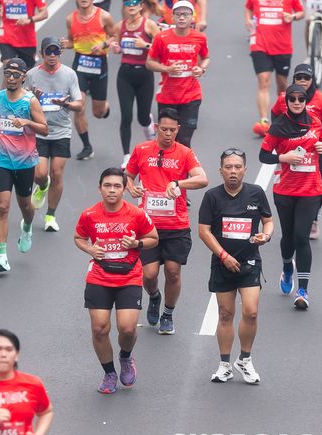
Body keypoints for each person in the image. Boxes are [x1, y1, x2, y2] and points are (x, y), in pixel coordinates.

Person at [75, 168, 159, 394]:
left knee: (128, 329)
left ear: (124, 189)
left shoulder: (137, 214)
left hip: (129, 276)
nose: (112, 190)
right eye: (107, 186)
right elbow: (79, 237)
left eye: (117, 186)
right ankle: (109, 373)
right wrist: (90, 249)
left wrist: (136, 244)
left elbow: (153, 238)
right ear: (100, 189)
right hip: (99, 276)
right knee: (99, 329)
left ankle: (125, 356)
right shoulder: (89, 214)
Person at [125, 107, 208, 334]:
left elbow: (202, 179)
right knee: (149, 275)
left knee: (172, 272)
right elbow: (128, 176)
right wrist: (131, 188)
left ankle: (168, 314)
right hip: (147, 226)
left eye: (172, 130)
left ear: (178, 129)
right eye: (164, 129)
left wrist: (179, 184)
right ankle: (154, 296)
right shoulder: (142, 150)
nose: (168, 134)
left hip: (176, 225)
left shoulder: (185, 153)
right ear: (156, 128)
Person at [198, 148, 273, 384]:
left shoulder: (256, 193)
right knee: (225, 314)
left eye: (237, 167)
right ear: (220, 171)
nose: (233, 171)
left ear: (245, 170)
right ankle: (224, 366)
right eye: (228, 167)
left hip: (249, 263)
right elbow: (204, 231)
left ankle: (245, 360)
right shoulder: (212, 196)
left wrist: (266, 236)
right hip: (223, 264)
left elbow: (268, 221)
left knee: (251, 312)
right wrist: (223, 255)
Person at [260, 84, 322, 309]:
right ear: (287, 102)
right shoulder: (278, 127)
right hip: (285, 190)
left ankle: (303, 291)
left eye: (301, 98)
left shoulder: (316, 123)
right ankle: (287, 267)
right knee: (289, 238)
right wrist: (284, 158)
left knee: (302, 237)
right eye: (293, 99)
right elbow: (263, 155)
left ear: (305, 101)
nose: (297, 102)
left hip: (311, 190)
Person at [0, 58, 48, 273]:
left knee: (26, 207)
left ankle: (27, 226)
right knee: (2, 206)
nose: (11, 78)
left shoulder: (30, 102)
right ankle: (1, 256)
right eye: (8, 74)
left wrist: (27, 122)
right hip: (1, 159)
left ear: (23, 77)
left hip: (25, 161)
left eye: (16, 75)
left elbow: (45, 129)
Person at [270, 63, 322, 239]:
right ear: (293, 79)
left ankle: (313, 219)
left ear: (312, 79)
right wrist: (280, 134)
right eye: (299, 77)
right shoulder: (283, 98)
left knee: (316, 186)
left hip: (316, 149)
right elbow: (275, 114)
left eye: (306, 78)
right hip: (291, 149)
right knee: (290, 180)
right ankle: (294, 216)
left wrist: (314, 132)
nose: (302, 81)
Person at [25, 37, 83, 233]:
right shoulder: (32, 75)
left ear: (60, 53)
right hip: (39, 130)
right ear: (41, 53)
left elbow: (79, 104)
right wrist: (33, 99)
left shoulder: (69, 74)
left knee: (57, 173)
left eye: (55, 51)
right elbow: (21, 102)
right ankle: (42, 186)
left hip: (61, 131)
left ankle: (50, 215)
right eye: (48, 51)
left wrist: (65, 104)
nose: (52, 55)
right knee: (40, 174)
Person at [147, 0, 210, 148]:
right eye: (178, 14)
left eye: (186, 14)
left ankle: (185, 164)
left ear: (192, 17)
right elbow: (149, 63)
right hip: (167, 96)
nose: (182, 18)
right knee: (167, 141)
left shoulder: (200, 37)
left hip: (191, 96)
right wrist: (167, 69)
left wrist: (201, 69)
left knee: (184, 140)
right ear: (172, 17)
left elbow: (205, 58)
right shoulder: (161, 38)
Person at [62, 0, 117, 161]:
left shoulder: (104, 16)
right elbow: (72, 41)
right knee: (78, 107)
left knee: (98, 113)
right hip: (80, 65)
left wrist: (103, 44)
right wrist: (65, 44)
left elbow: (115, 36)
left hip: (99, 65)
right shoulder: (70, 19)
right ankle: (87, 146)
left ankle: (104, 107)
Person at [244, 0, 304, 137]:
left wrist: (292, 17)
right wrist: (247, 20)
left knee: (282, 85)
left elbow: (301, 12)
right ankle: (264, 121)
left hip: (283, 47)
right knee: (263, 81)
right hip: (259, 45)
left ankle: (283, 117)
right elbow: (248, 8)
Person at [112, 0, 159, 167]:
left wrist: (145, 45)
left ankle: (152, 140)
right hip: (125, 75)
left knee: (143, 117)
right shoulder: (120, 26)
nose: (131, 5)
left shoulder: (149, 25)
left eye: (135, 2)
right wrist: (116, 48)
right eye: (128, 3)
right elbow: (116, 44)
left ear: (141, 6)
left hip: (144, 75)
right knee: (126, 116)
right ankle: (126, 155)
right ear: (125, 7)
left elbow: (162, 47)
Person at [0, 0, 49, 70]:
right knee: (10, 68)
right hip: (7, 36)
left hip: (27, 40)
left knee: (25, 72)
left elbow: (44, 13)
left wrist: (29, 20)